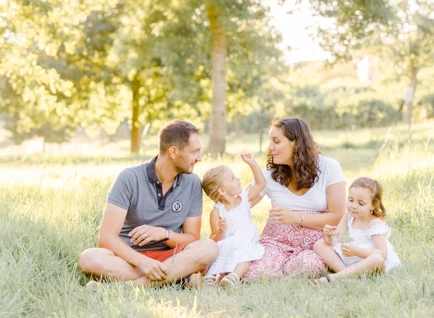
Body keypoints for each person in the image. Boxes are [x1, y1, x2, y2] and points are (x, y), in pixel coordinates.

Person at [78, 120, 218, 287]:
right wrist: (144, 263)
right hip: (129, 259)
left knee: (209, 247)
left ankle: (130, 287)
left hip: (171, 257)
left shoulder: (192, 183)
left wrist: (164, 234)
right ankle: (178, 278)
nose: (199, 158)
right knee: (88, 258)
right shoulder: (129, 178)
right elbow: (106, 237)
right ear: (173, 152)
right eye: (194, 152)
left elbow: (192, 239)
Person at [243, 117, 347, 279]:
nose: (270, 148)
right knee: (253, 272)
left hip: (315, 246)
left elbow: (337, 217)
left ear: (297, 143)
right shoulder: (270, 174)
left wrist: (297, 217)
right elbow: (239, 205)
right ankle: (275, 273)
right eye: (270, 141)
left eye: (276, 142)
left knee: (307, 267)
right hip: (275, 244)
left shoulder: (329, 167)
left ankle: (281, 274)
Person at [313, 177, 401, 284]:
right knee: (319, 244)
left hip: (369, 259)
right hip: (353, 254)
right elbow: (335, 240)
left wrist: (357, 251)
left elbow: (383, 254)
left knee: (377, 259)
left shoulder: (374, 223)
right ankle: (346, 274)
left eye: (361, 203)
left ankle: (335, 278)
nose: (354, 206)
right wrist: (329, 235)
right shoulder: (348, 217)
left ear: (373, 205)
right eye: (350, 200)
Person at [201, 153, 265, 287]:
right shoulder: (217, 212)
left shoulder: (243, 199)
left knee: (248, 255)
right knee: (217, 251)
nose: (238, 179)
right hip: (228, 243)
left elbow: (261, 183)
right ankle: (210, 276)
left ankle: (233, 277)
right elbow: (216, 239)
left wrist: (252, 163)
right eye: (232, 178)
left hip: (245, 242)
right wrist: (221, 230)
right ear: (223, 191)